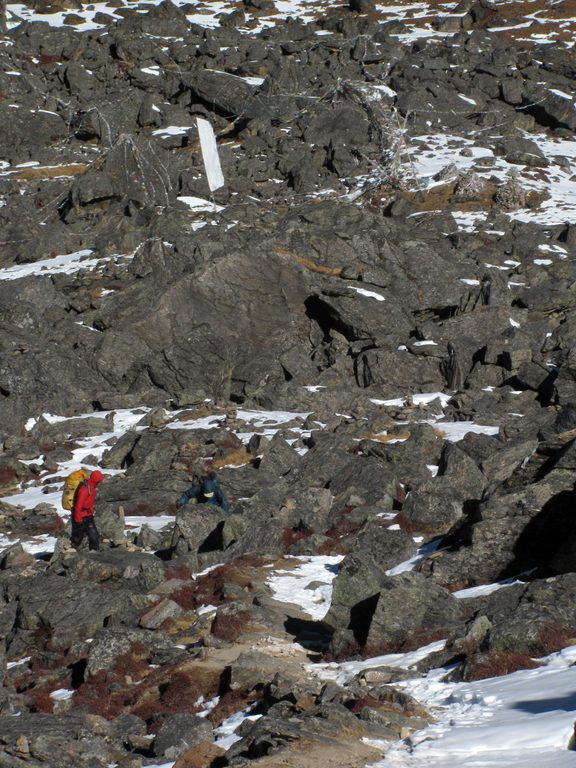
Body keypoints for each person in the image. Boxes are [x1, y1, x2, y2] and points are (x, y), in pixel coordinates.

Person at [71, 469, 104, 551]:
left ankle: (94, 553)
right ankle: (69, 551)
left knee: (94, 536)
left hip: (88, 515)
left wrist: (91, 511)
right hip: (81, 516)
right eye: (99, 481)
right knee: (77, 538)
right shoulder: (85, 490)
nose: (100, 483)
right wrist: (78, 519)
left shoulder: (91, 488)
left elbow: (89, 502)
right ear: (96, 480)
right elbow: (78, 505)